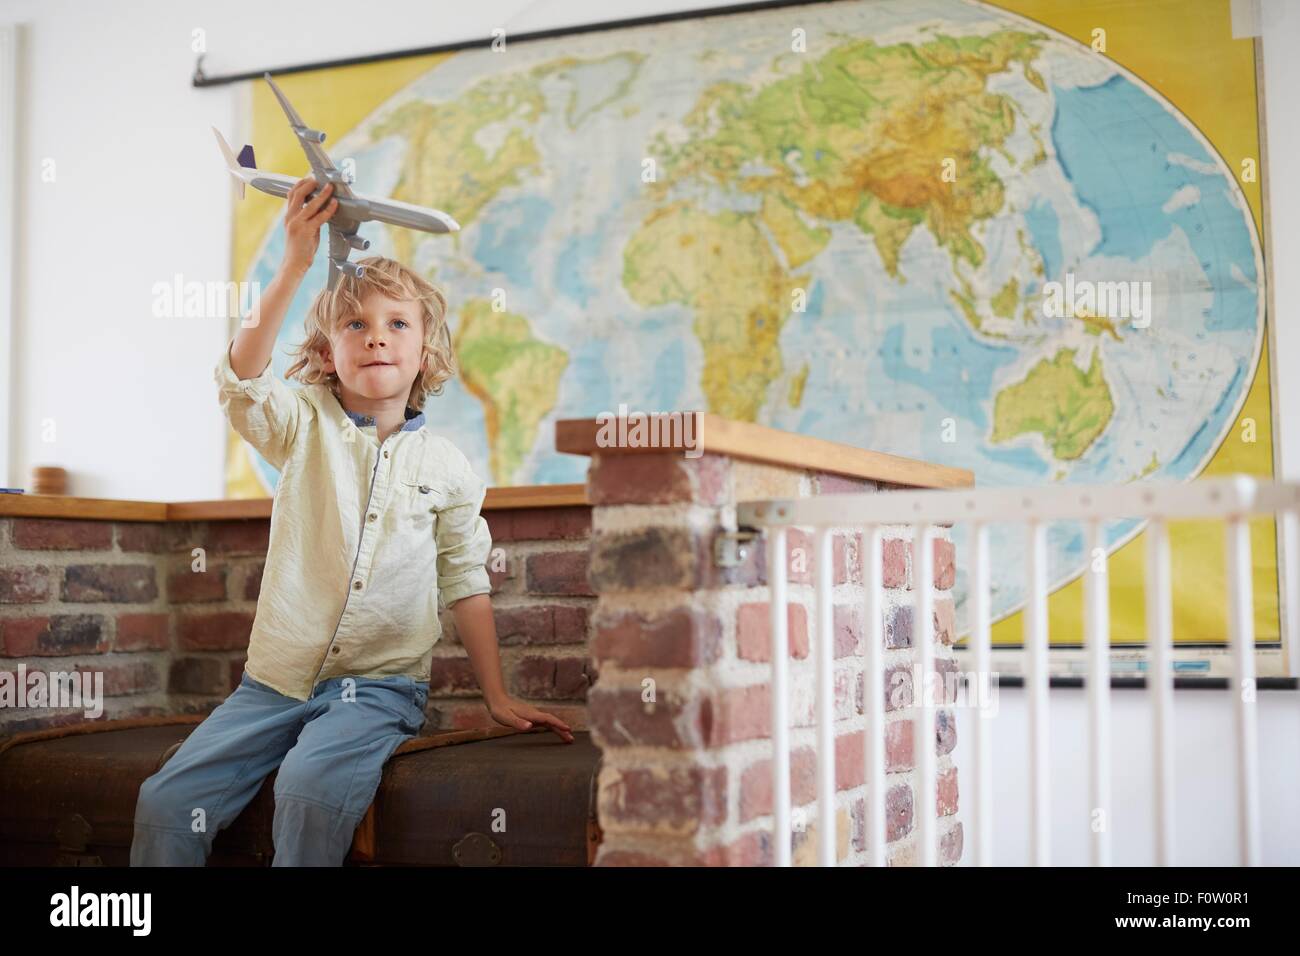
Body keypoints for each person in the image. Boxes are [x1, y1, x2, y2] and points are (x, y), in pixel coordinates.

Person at [131, 176, 572, 867]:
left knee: (307, 792)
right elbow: (241, 380)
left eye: (397, 324)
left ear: (424, 351)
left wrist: (497, 694)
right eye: (354, 325)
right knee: (163, 802)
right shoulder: (300, 423)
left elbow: (465, 581)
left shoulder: (451, 469)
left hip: (380, 693)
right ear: (327, 350)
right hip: (271, 685)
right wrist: (295, 266)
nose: (375, 339)